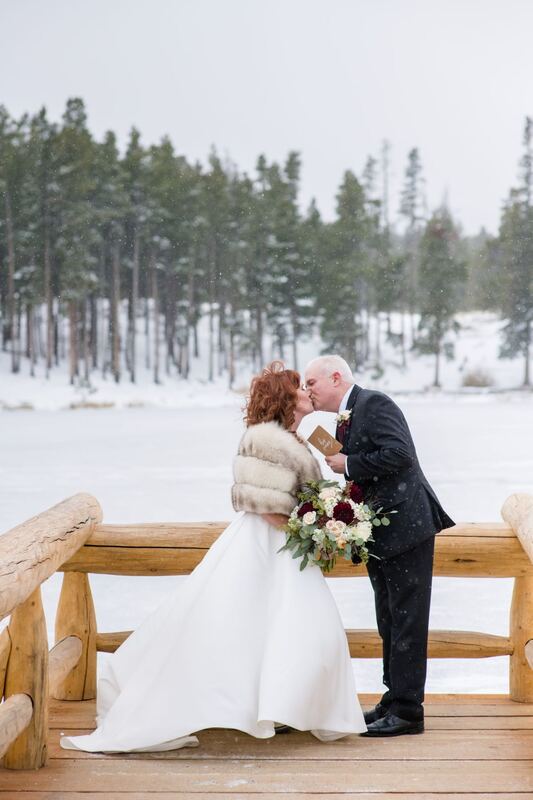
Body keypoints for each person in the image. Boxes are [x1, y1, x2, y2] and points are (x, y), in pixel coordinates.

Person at [60, 362, 366, 754]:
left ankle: (283, 707)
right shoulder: (264, 439)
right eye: (299, 387)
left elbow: (318, 484)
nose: (307, 391)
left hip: (285, 545)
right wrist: (310, 529)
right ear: (285, 398)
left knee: (296, 630)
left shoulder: (300, 438)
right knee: (252, 625)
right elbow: (265, 506)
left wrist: (331, 514)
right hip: (267, 545)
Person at [304, 355, 454, 738]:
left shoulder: (374, 403)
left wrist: (350, 463)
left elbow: (400, 453)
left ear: (335, 377)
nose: (307, 390)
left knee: (407, 620)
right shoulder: (347, 415)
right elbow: (359, 464)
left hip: (407, 528)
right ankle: (393, 699)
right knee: (388, 618)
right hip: (383, 533)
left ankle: (408, 711)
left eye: (311, 383)